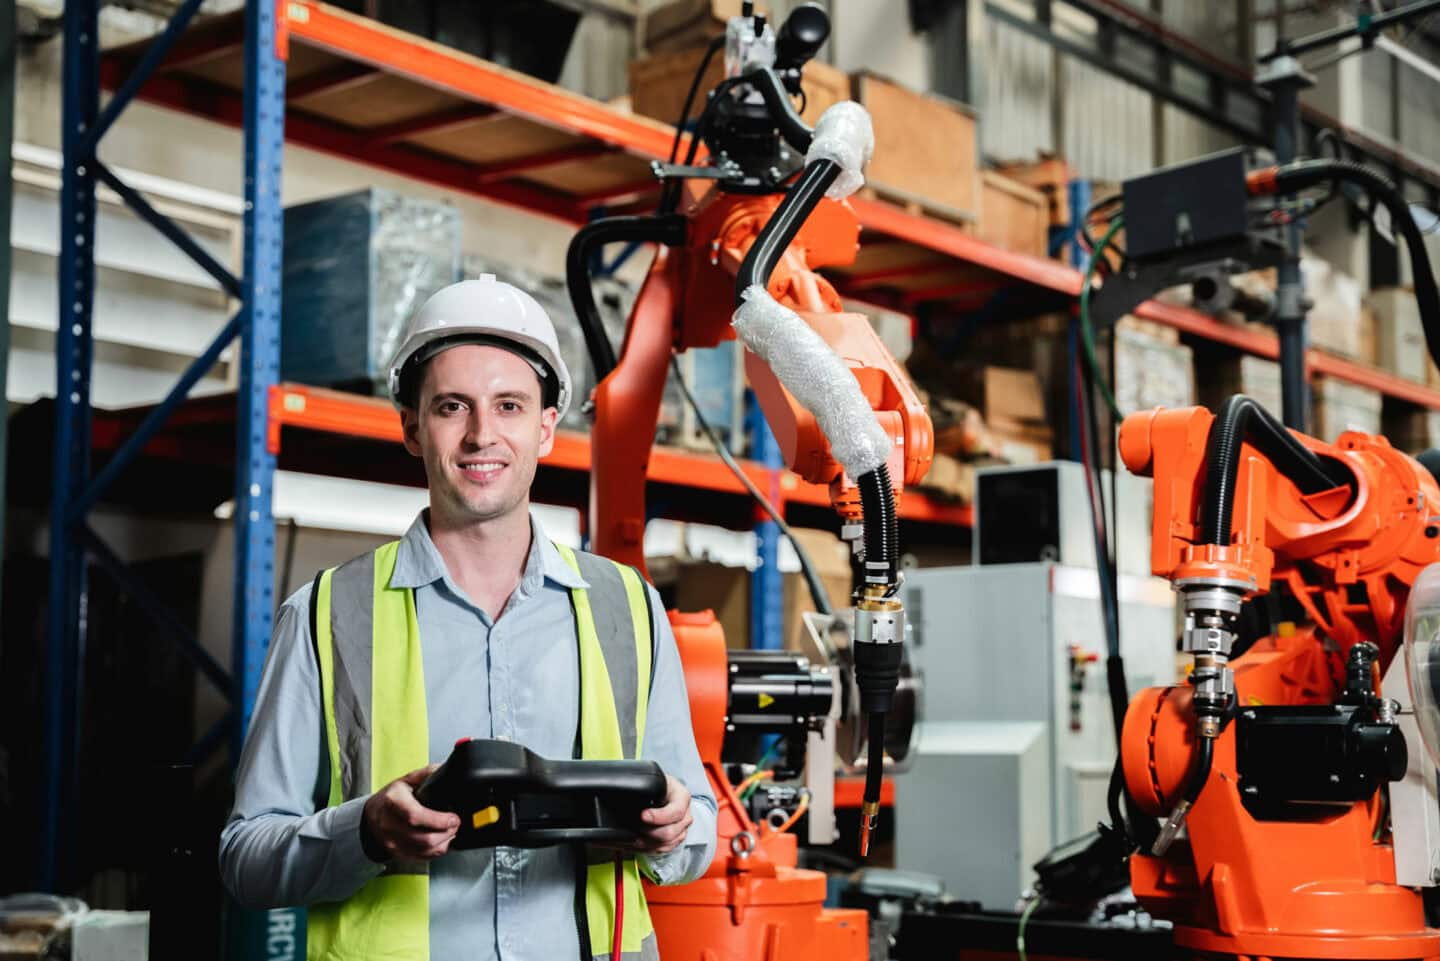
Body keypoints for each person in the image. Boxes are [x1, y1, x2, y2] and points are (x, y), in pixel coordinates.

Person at [220, 275, 717, 960]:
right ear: (412, 427)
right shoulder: (325, 614)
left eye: (509, 405)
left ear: (546, 427)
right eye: (453, 406)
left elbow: (698, 835)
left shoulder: (626, 606)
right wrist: (362, 833)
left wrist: (673, 831)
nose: (483, 434)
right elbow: (246, 858)